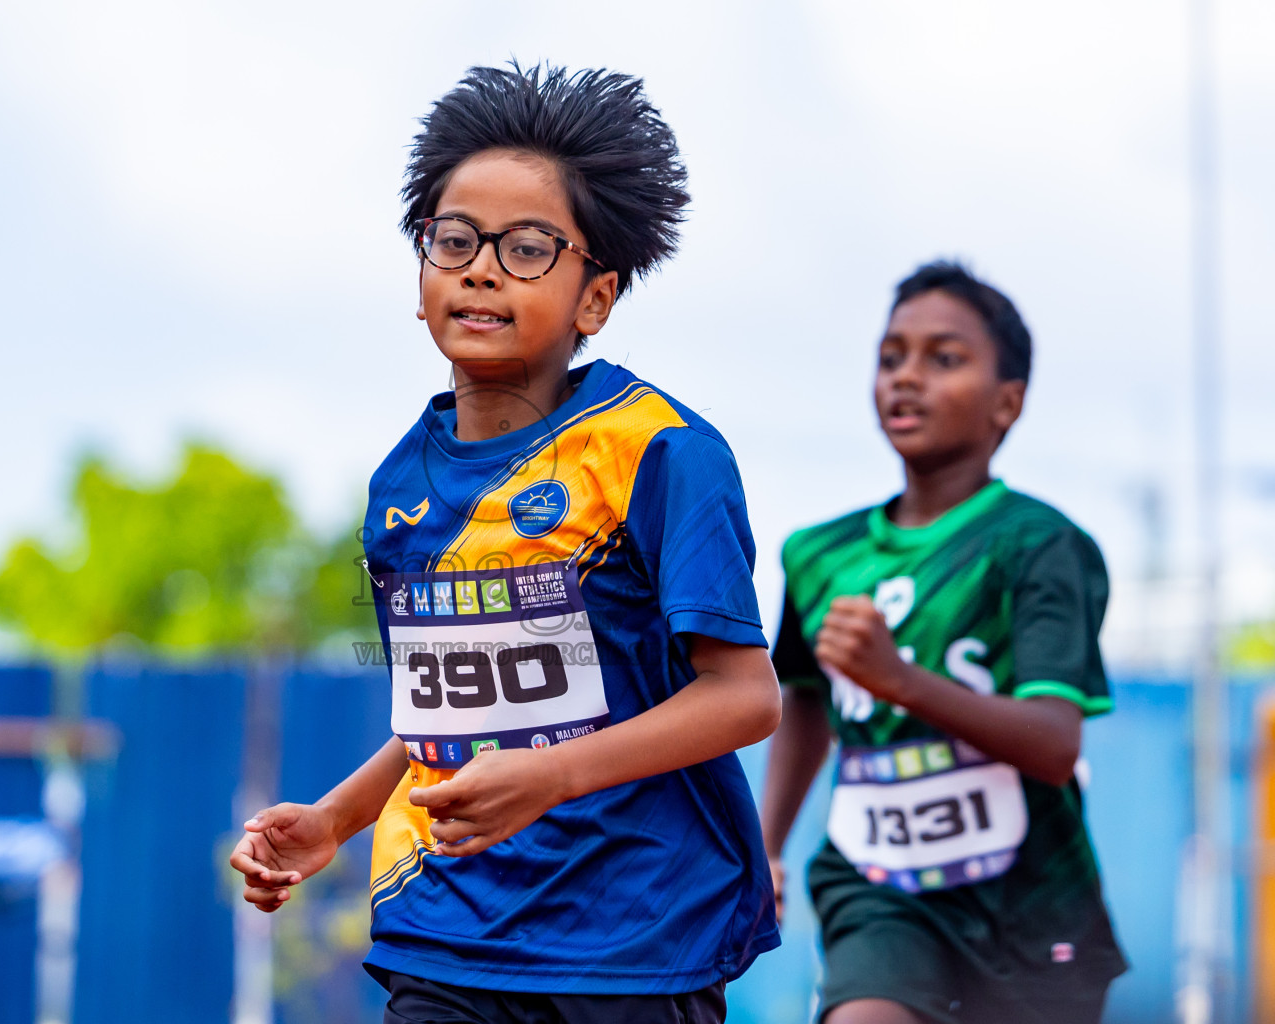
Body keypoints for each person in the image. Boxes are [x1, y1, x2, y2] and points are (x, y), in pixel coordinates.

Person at [229, 63, 782, 1023]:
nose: (481, 267)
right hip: (445, 929)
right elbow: (455, 708)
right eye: (454, 240)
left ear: (595, 297)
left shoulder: (661, 453)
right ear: (422, 275)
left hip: (631, 944)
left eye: (528, 248)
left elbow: (745, 698)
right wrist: (335, 818)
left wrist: (554, 777)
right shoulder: (403, 481)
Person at [760, 261, 1128, 1024]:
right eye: (892, 356)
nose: (907, 377)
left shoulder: (1040, 546)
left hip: (1031, 906)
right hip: (876, 883)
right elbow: (804, 699)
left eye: (944, 358)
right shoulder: (819, 555)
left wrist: (900, 679)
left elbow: (1055, 745)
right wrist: (763, 848)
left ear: (1008, 402)